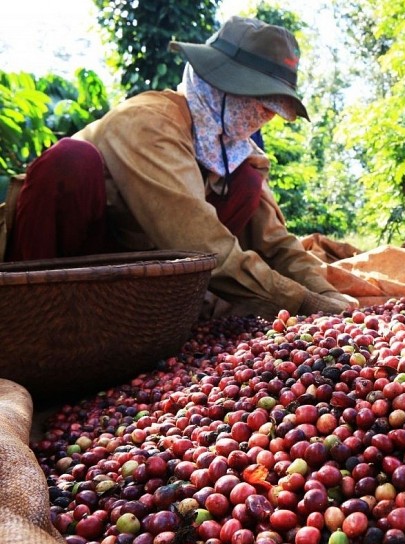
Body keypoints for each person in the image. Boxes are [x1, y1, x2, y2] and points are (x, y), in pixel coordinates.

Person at [0, 16, 356, 319]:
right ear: (221, 85)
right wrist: (298, 302)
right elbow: (197, 239)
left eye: (274, 109)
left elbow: (276, 242)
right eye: (262, 101)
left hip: (131, 282)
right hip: (62, 263)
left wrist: (325, 294)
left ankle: (149, 316)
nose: (267, 116)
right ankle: (30, 318)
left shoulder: (233, 153)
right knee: (71, 161)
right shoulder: (150, 122)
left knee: (247, 182)